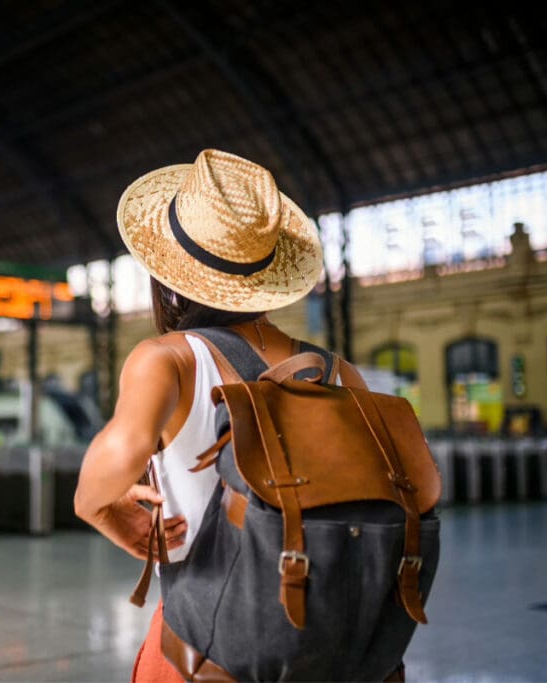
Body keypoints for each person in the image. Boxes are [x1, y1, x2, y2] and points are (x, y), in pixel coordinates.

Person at [74, 149, 325, 681]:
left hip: (207, 645)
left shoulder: (169, 359)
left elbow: (101, 478)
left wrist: (108, 513)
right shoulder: (337, 370)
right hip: (328, 645)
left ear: (167, 271)